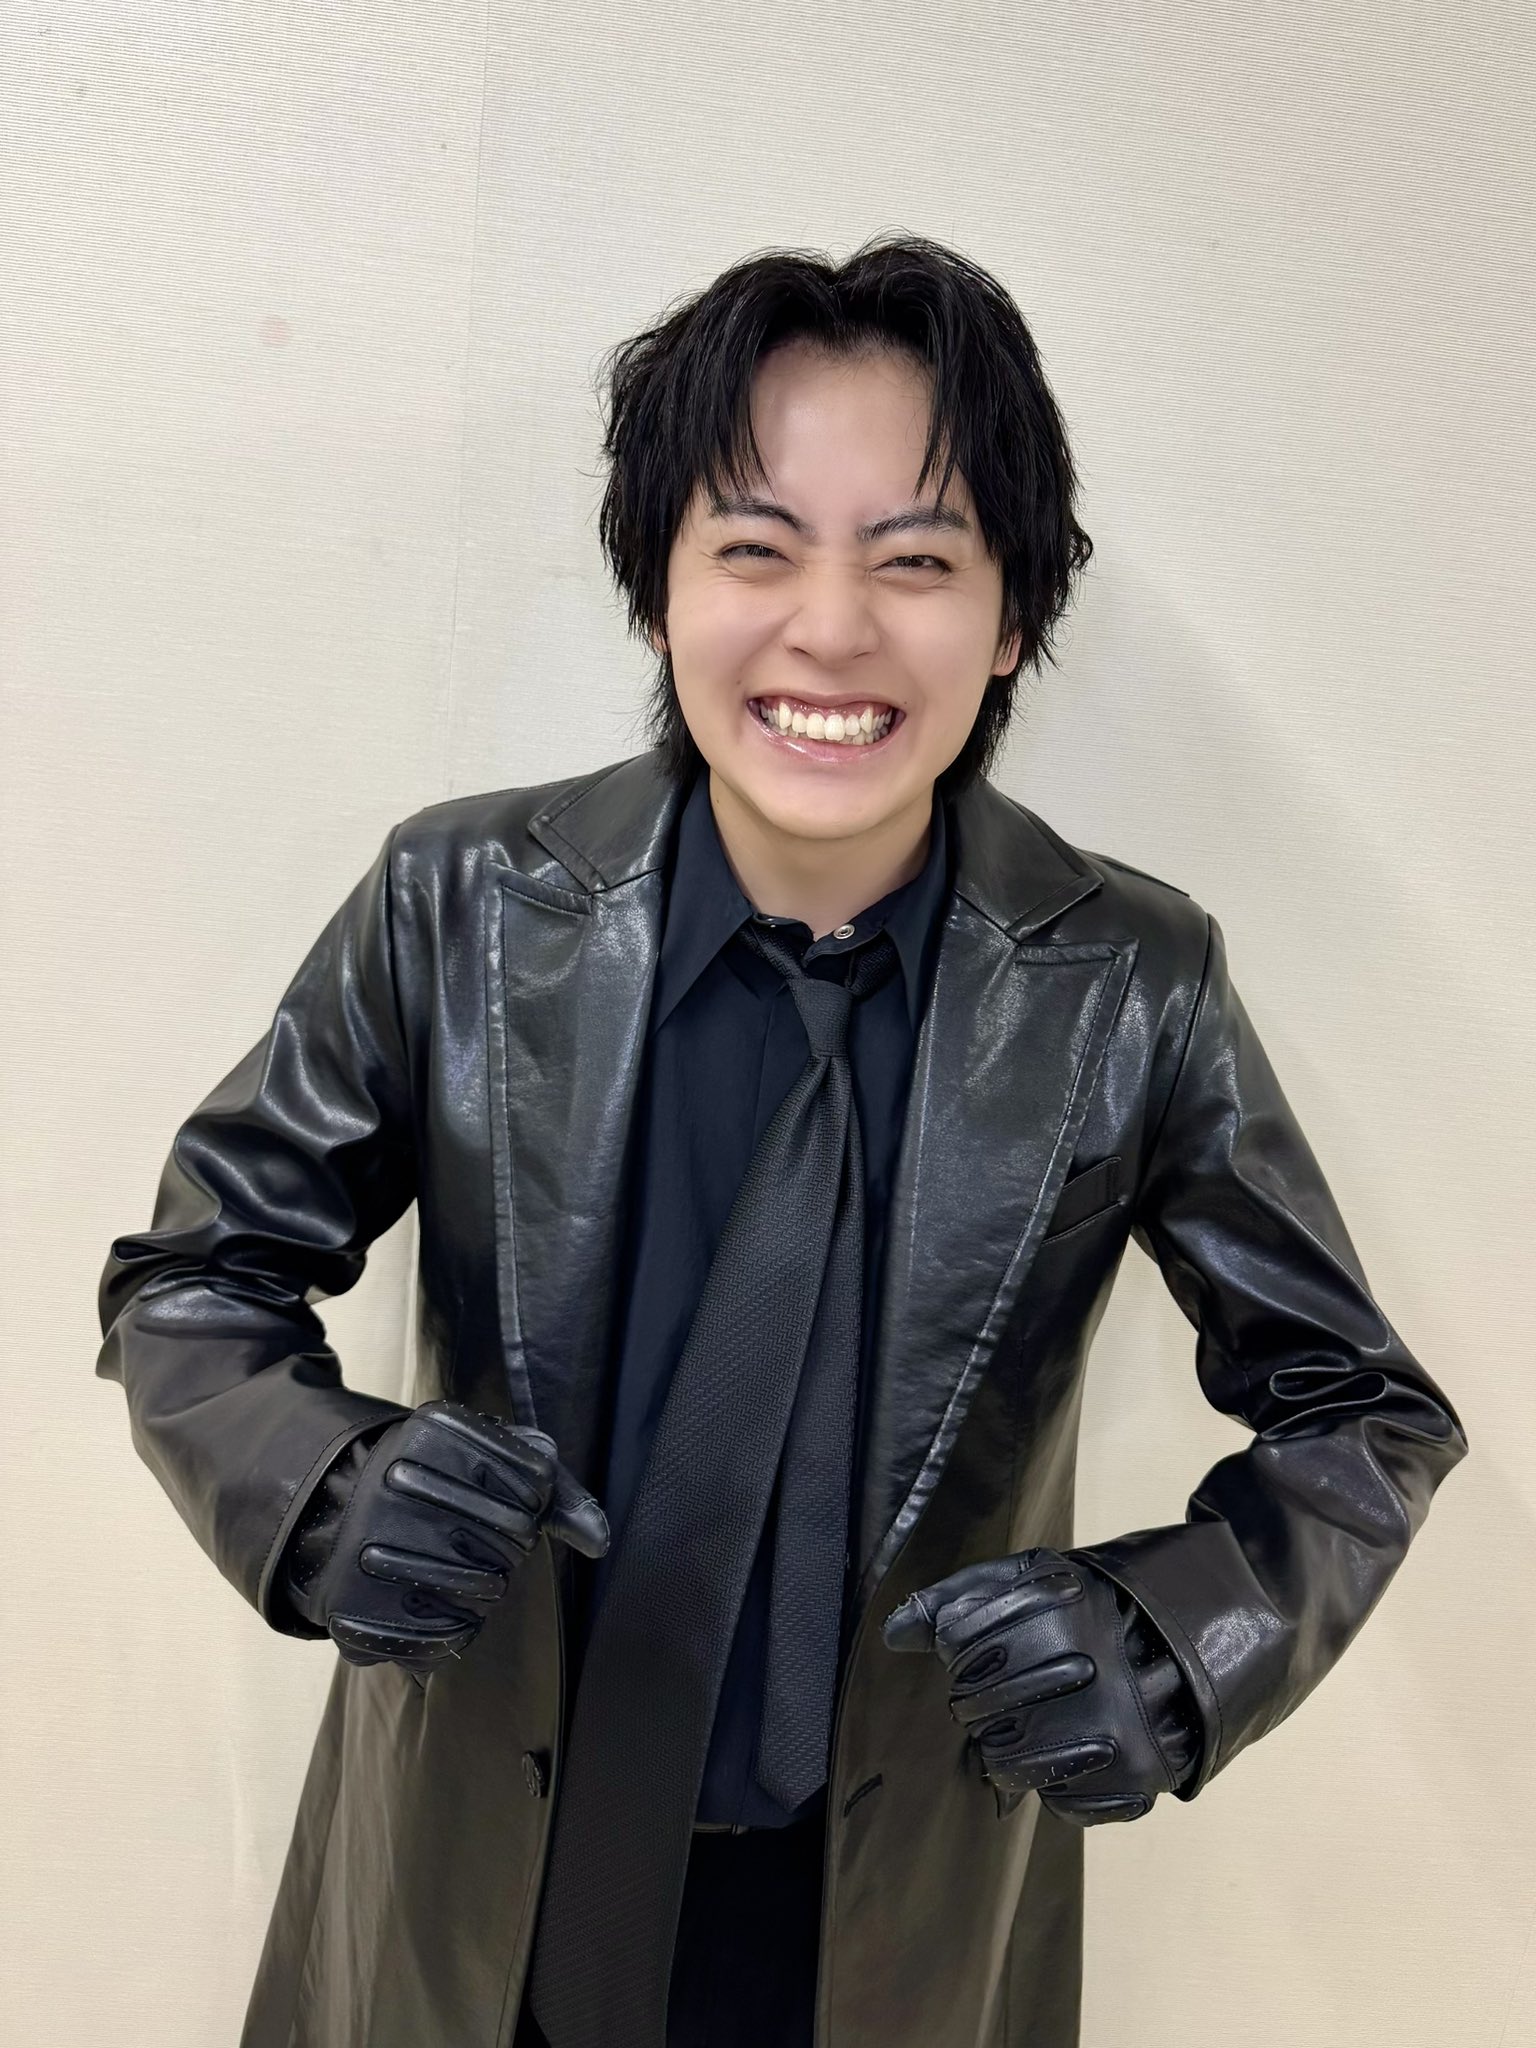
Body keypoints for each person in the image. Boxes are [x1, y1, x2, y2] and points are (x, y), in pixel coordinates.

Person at [95, 234, 1468, 2048]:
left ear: (1013, 618)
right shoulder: (461, 905)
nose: (832, 627)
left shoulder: (1131, 980)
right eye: (755, 547)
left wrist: (1178, 1640)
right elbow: (196, 1276)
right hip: (470, 1878)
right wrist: (320, 1486)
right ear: (658, 587)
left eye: (917, 559)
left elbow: (1363, 1413)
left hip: (889, 1916)